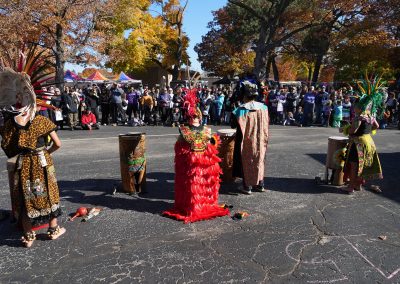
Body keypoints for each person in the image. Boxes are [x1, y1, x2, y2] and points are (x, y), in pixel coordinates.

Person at [0, 68, 66, 247]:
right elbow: (58, 144)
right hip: (42, 160)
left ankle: (29, 236)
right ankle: (53, 230)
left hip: (23, 163)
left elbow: (7, 146)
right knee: (50, 193)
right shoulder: (42, 121)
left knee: (25, 195)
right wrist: (46, 152)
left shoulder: (10, 124)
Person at [163, 90, 230, 223]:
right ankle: (192, 207)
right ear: (188, 116)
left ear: (200, 116)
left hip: (204, 165)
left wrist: (212, 145)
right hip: (191, 164)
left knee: (205, 186)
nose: (194, 118)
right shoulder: (184, 130)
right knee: (192, 187)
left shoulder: (207, 130)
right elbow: (180, 149)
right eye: (191, 116)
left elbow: (212, 147)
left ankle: (204, 205)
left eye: (196, 116)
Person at [342, 77, 383, 194]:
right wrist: (367, 131)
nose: (354, 107)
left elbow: (353, 130)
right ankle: (358, 186)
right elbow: (377, 126)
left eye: (355, 105)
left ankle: (350, 187)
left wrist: (347, 130)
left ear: (359, 106)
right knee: (362, 165)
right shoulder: (370, 116)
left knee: (355, 165)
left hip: (358, 143)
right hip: (369, 141)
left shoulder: (359, 117)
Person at [231, 81, 269, 194]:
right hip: (260, 138)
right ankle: (260, 184)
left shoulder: (240, 109)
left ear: (244, 95)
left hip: (245, 139)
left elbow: (233, 125)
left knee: (246, 160)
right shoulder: (264, 108)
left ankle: (247, 186)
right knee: (259, 159)